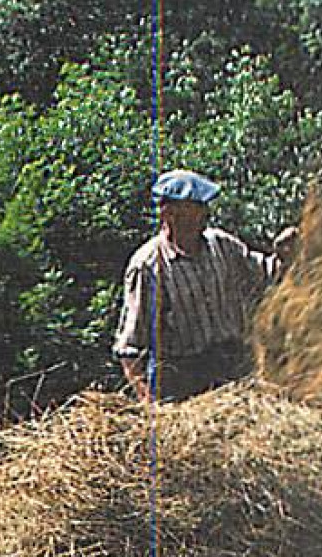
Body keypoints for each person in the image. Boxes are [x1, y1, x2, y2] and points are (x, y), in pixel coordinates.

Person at [111, 169, 297, 402]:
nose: (204, 214)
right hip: (182, 380)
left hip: (230, 368)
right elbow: (130, 347)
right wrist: (147, 402)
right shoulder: (148, 266)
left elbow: (266, 273)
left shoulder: (221, 245)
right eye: (195, 207)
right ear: (169, 213)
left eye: (203, 207)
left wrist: (285, 255)